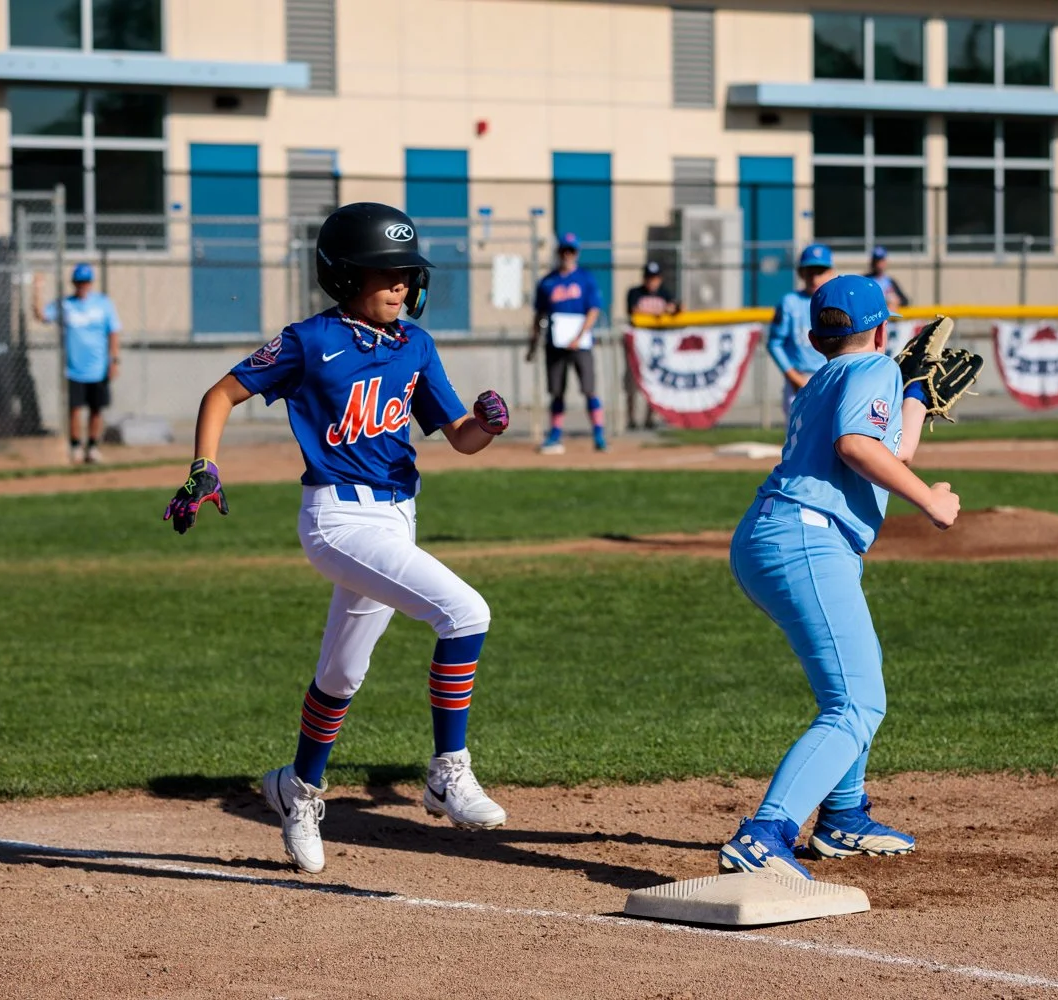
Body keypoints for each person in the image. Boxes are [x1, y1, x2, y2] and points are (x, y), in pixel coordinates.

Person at [162, 203, 513, 875]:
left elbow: (461, 438)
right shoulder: (309, 340)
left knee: (342, 674)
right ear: (346, 275)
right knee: (466, 612)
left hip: (397, 520)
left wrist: (488, 426)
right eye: (386, 274)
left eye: (407, 274)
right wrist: (204, 467)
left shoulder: (415, 345)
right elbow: (220, 395)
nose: (401, 285)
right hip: (337, 520)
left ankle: (296, 789)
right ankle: (447, 772)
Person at [718, 275, 961, 880]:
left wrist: (913, 395)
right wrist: (930, 502)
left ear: (813, 340)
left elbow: (891, 452)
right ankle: (765, 835)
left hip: (773, 535)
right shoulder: (873, 368)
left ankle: (843, 815)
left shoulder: (823, 380)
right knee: (857, 701)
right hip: (806, 538)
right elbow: (857, 445)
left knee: (858, 678)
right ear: (882, 332)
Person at [33, 263, 121, 464]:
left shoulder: (103, 303)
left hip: (99, 368)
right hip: (74, 369)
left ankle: (93, 447)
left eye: (86, 282)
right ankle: (75, 447)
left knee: (96, 409)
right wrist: (37, 289)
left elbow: (114, 332)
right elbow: (41, 315)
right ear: (74, 283)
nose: (83, 286)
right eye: (79, 282)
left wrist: (114, 360)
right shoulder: (66, 305)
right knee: (75, 409)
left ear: (91, 283)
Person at [528, 233, 606, 454]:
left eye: (571, 251)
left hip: (581, 343)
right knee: (556, 391)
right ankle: (555, 434)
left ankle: (598, 434)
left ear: (576, 253)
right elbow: (539, 314)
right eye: (564, 250)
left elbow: (593, 310)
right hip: (555, 344)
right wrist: (533, 342)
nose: (567, 255)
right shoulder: (548, 282)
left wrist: (579, 337)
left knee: (589, 389)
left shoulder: (585, 278)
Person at [766, 244, 837, 416]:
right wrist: (793, 376)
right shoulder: (790, 302)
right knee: (797, 431)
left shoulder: (837, 302)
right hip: (799, 378)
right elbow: (774, 343)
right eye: (810, 271)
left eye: (820, 271)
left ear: (831, 272)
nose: (815, 277)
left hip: (831, 376)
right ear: (801, 273)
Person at [624, 261, 681, 430]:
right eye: (649, 278)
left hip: (656, 346)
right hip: (636, 345)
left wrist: (672, 308)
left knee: (654, 381)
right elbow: (634, 310)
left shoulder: (664, 293)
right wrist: (659, 312)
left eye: (654, 278)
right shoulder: (635, 292)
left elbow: (678, 307)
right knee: (632, 382)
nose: (651, 282)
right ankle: (631, 417)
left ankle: (650, 418)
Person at [865, 246, 910, 310]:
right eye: (877, 261)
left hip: (889, 314)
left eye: (882, 261)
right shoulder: (865, 280)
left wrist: (896, 301)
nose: (879, 264)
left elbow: (905, 301)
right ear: (872, 262)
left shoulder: (890, 281)